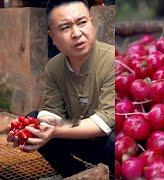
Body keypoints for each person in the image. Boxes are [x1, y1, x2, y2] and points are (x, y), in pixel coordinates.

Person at [7, 0, 115, 177]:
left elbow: (106, 120)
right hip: (76, 138)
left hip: (106, 143)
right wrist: (33, 131)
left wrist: (55, 130)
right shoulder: (54, 67)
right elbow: (52, 110)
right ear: (53, 37)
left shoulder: (113, 60)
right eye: (65, 27)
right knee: (34, 118)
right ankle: (78, 174)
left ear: (92, 23)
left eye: (82, 22)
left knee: (116, 140)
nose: (76, 33)